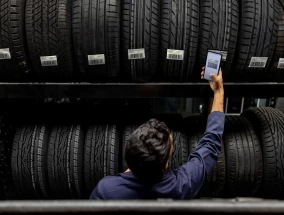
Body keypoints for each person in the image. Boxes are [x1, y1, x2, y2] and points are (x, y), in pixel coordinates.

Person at [90, 68, 225, 200]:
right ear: (165, 166)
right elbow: (210, 144)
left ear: (129, 156)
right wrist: (218, 91)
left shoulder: (105, 191)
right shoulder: (179, 187)